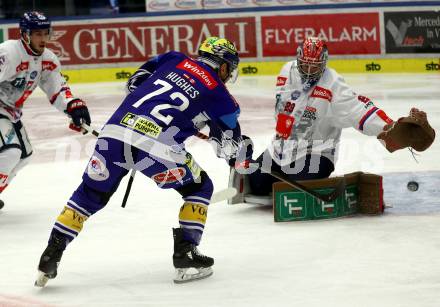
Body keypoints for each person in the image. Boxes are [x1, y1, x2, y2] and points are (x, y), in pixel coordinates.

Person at [35, 37, 249, 286]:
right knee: (200, 188)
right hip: (158, 150)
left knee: (89, 194)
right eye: (229, 69)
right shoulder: (224, 99)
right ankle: (186, 255)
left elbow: (134, 84)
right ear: (223, 67)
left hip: (114, 133)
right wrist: (241, 157)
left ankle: (51, 254)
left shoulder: (173, 58)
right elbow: (228, 149)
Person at [242, 37, 433, 196]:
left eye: (314, 67)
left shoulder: (333, 84)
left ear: (324, 64)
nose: (308, 71)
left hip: (316, 153)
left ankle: (307, 178)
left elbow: (358, 108)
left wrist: (388, 126)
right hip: (281, 149)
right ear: (298, 60)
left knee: (295, 190)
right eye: (305, 65)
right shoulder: (287, 71)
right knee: (256, 185)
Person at [0, 11, 91, 210]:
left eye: (45, 33)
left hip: (11, 112)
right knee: (10, 153)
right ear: (25, 34)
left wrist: (73, 107)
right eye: (37, 34)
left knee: (24, 156)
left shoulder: (47, 59)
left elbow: (57, 90)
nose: (43, 39)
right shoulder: (8, 53)